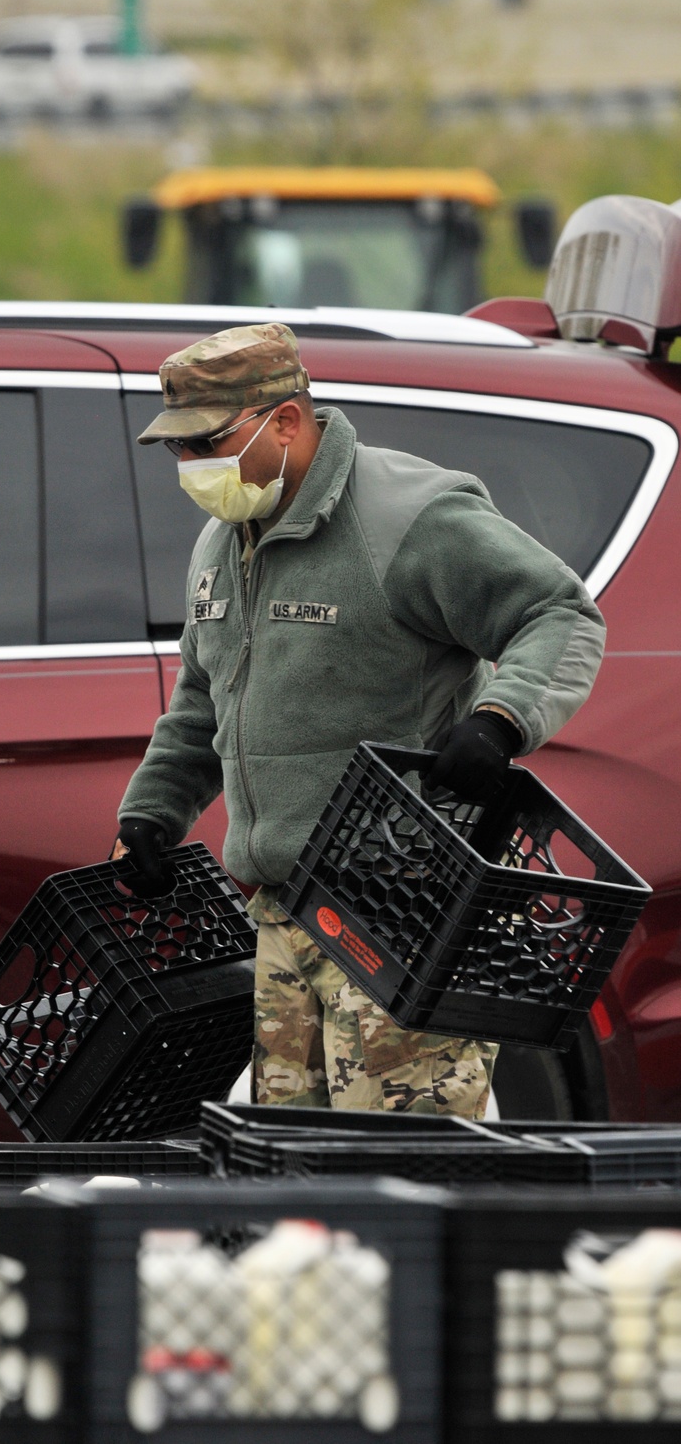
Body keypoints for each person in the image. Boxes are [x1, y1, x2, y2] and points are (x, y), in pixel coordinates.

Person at [113, 322, 605, 1118]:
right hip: (281, 912)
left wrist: (499, 720)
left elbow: (560, 612)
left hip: (400, 909)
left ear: (285, 420)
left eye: (208, 443)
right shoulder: (222, 540)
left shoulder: (408, 518)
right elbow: (203, 697)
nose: (193, 467)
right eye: (179, 451)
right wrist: (151, 813)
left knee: (405, 1171)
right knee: (294, 1175)